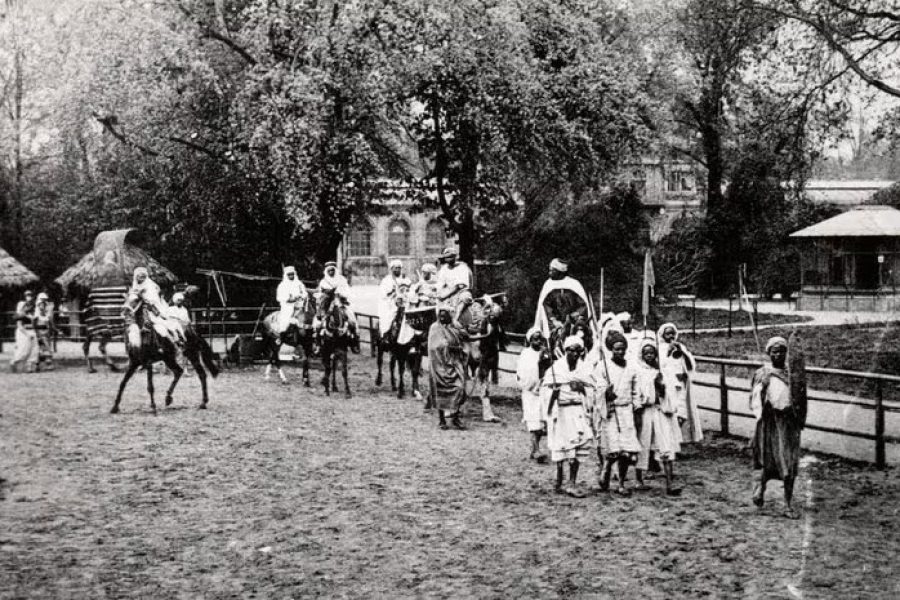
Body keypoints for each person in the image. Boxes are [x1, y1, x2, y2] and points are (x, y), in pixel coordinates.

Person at [750, 336, 807, 518]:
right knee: (769, 461)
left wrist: (799, 418)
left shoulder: (793, 375)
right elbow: (754, 401)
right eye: (774, 351)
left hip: (789, 424)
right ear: (769, 353)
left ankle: (788, 505)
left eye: (782, 351)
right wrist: (761, 392)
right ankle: (761, 488)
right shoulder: (763, 374)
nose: (778, 355)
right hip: (770, 423)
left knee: (789, 463)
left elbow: (800, 398)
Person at [542, 335, 595, 497]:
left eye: (579, 351)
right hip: (561, 412)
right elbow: (544, 391)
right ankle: (559, 478)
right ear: (565, 351)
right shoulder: (555, 369)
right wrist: (553, 392)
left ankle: (572, 482)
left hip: (578, 411)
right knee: (561, 446)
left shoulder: (585, 369)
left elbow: (592, 389)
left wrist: (581, 388)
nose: (575, 354)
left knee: (578, 447)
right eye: (572, 350)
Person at [595, 330, 642, 496]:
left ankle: (621, 483)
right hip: (611, 411)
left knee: (627, 451)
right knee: (614, 448)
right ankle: (606, 468)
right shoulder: (603, 366)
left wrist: (637, 406)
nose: (620, 352)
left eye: (622, 349)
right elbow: (597, 388)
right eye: (616, 349)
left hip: (626, 411)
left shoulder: (632, 368)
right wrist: (605, 393)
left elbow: (636, 390)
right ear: (610, 349)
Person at [634, 338, 682, 496]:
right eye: (646, 353)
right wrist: (650, 386)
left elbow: (671, 394)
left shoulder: (663, 371)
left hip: (660, 411)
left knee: (665, 444)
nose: (649, 355)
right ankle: (639, 479)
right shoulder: (639, 372)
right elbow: (637, 393)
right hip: (645, 411)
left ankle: (669, 483)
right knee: (643, 443)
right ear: (642, 355)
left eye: (652, 352)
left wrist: (661, 387)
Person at [534, 258, 594, 357]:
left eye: (552, 270)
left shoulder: (574, 284)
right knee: (555, 337)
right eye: (549, 270)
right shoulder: (548, 285)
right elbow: (545, 305)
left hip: (572, 321)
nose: (550, 273)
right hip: (553, 323)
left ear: (560, 272)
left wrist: (575, 315)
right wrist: (553, 320)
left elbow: (583, 304)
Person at [658, 322, 703, 444]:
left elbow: (690, 365)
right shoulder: (659, 348)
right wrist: (668, 352)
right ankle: (672, 439)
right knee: (672, 411)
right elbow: (660, 366)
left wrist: (682, 353)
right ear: (663, 335)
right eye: (668, 333)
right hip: (668, 384)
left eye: (672, 333)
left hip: (680, 383)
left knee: (682, 413)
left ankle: (676, 438)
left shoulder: (680, 346)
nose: (670, 335)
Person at [428, 303, 469, 430]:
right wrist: (448, 347)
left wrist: (462, 335)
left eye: (445, 316)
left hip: (455, 362)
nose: (442, 318)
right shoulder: (434, 328)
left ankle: (455, 417)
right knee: (440, 390)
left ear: (450, 315)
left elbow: (464, 336)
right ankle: (441, 420)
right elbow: (434, 347)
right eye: (440, 316)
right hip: (439, 364)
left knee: (459, 387)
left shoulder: (455, 325)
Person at [517, 328, 553, 462]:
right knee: (533, 422)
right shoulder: (526, 354)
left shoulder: (545, 353)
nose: (538, 341)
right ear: (530, 340)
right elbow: (522, 373)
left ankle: (534, 449)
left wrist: (546, 360)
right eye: (535, 339)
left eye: (540, 339)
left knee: (541, 423)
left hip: (543, 391)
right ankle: (537, 450)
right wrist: (537, 363)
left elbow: (549, 370)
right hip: (530, 392)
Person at [127, 267, 184, 345]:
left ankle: (173, 339)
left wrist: (145, 300)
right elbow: (132, 299)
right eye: (139, 276)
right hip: (138, 309)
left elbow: (153, 300)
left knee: (161, 323)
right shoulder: (135, 287)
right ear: (136, 277)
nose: (141, 278)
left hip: (151, 309)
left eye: (143, 277)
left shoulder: (150, 286)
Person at [317, 261, 356, 331]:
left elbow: (347, 291)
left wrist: (341, 294)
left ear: (335, 270)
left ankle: (355, 333)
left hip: (340, 302)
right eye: (329, 270)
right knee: (317, 323)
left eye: (332, 270)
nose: (331, 272)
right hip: (327, 304)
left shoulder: (342, 279)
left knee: (351, 317)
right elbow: (320, 293)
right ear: (326, 271)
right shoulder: (323, 281)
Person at [378, 260, 409, 337]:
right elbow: (383, 294)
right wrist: (392, 292)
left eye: (399, 268)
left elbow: (409, 290)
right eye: (396, 268)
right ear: (391, 269)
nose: (397, 270)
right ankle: (386, 334)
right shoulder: (386, 280)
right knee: (389, 316)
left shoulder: (405, 279)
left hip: (403, 302)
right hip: (390, 303)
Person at [10, 290, 37, 373]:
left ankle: (30, 367)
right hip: (23, 332)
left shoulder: (31, 313)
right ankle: (14, 362)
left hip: (32, 330)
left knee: (34, 350)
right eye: (27, 296)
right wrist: (27, 334)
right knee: (24, 350)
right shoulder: (20, 315)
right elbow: (20, 326)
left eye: (30, 295)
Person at [276, 266, 307, 337]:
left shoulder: (299, 284)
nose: (291, 276)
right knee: (285, 322)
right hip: (288, 306)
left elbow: (305, 293)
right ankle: (282, 336)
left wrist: (301, 296)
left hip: (300, 305)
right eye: (289, 274)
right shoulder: (282, 285)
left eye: (292, 274)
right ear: (286, 275)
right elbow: (279, 297)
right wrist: (289, 299)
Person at [34, 293, 58, 371]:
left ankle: (44, 364)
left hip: (45, 331)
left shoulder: (46, 312)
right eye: (42, 300)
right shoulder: (37, 312)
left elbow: (49, 320)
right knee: (43, 347)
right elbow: (35, 323)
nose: (43, 303)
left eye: (44, 301)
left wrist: (53, 328)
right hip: (41, 331)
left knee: (44, 347)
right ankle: (40, 364)